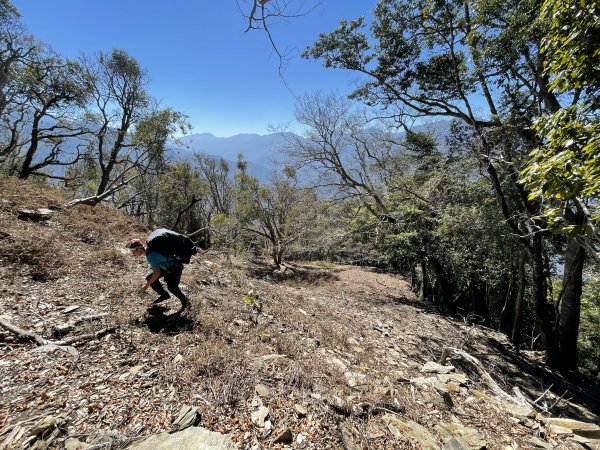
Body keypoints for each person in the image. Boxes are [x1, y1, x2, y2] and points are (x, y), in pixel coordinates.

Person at [127, 238, 190, 310]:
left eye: (133, 251)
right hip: (167, 266)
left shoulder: (150, 256)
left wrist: (146, 286)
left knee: (172, 288)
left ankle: (186, 302)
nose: (133, 253)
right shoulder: (149, 249)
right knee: (149, 278)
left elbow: (157, 273)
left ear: (138, 249)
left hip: (175, 267)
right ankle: (164, 295)